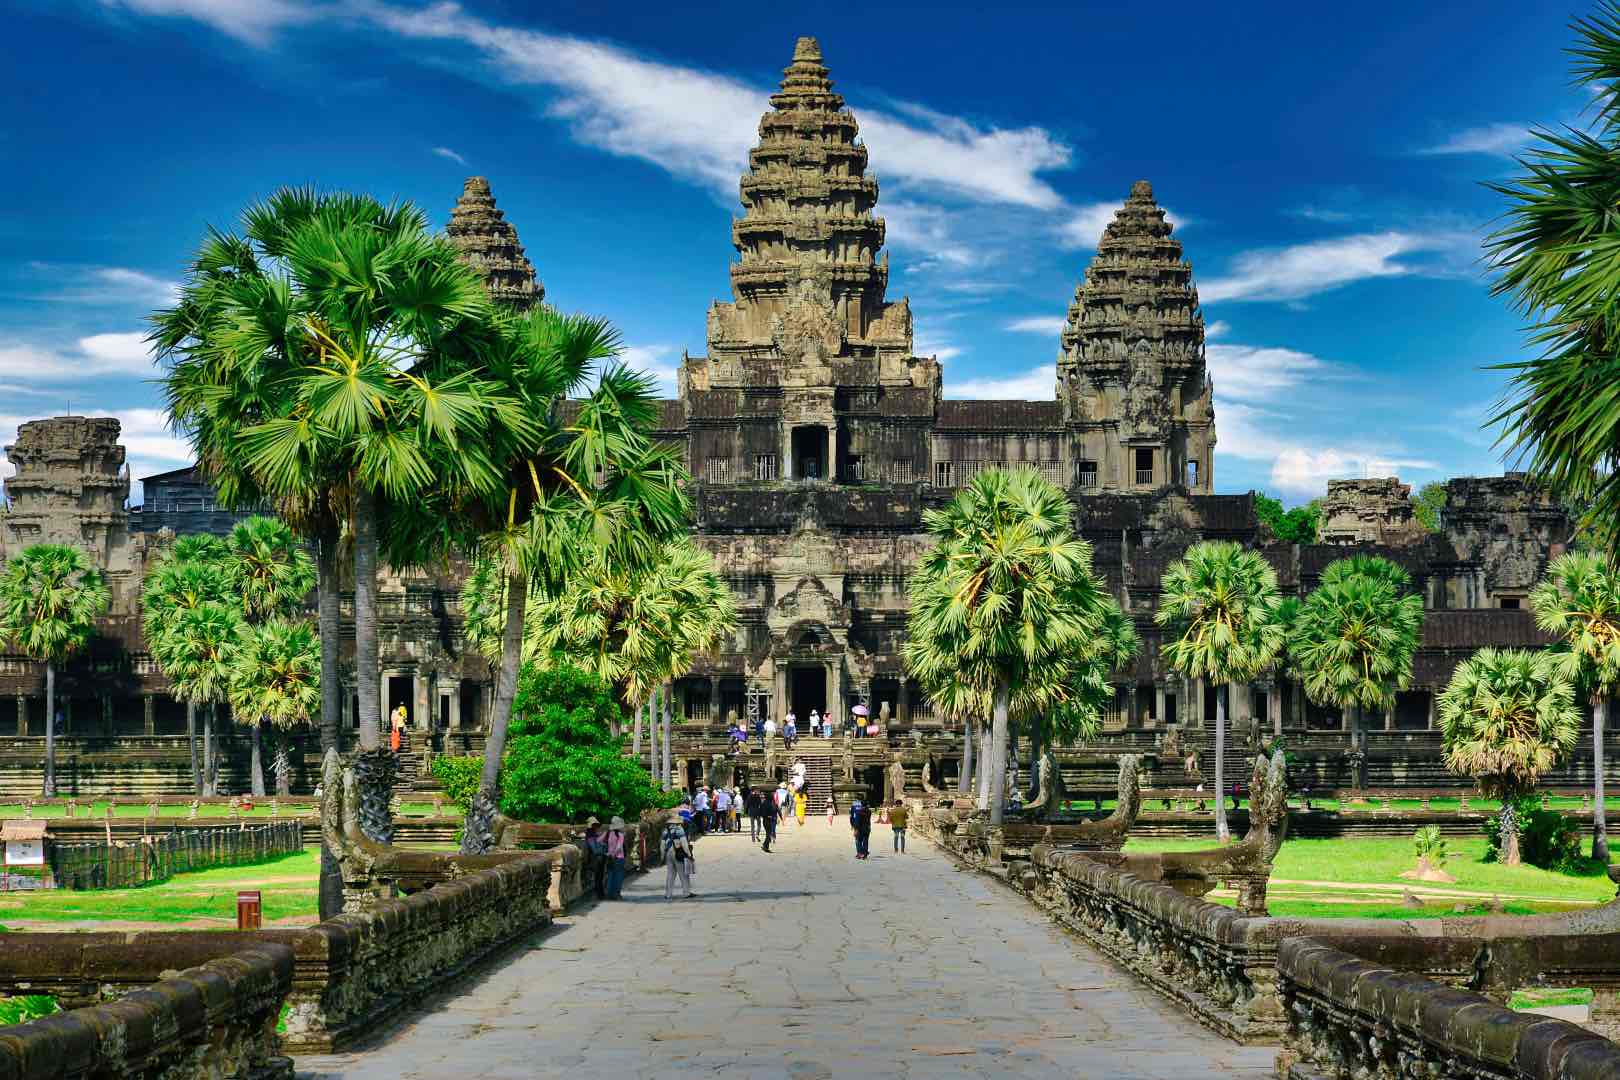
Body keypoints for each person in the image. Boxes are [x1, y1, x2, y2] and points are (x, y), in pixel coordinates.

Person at [662, 811, 695, 899]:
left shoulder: (665, 831)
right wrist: (689, 854)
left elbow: (662, 845)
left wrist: (662, 856)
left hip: (668, 852)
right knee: (683, 873)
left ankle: (668, 894)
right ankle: (686, 892)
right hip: (677, 853)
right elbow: (684, 843)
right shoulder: (679, 830)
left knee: (670, 874)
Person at [582, 817, 607, 898]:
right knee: (598, 878)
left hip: (598, 858)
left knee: (599, 877)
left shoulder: (594, 835)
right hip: (596, 859)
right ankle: (600, 894)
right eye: (595, 825)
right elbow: (595, 850)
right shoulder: (590, 836)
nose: (597, 827)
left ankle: (600, 894)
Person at [604, 817, 628, 899]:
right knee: (618, 876)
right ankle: (616, 894)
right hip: (619, 857)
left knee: (610, 875)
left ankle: (609, 893)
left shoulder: (609, 834)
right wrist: (614, 855)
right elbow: (619, 847)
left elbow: (600, 841)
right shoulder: (620, 835)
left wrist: (610, 854)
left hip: (610, 857)